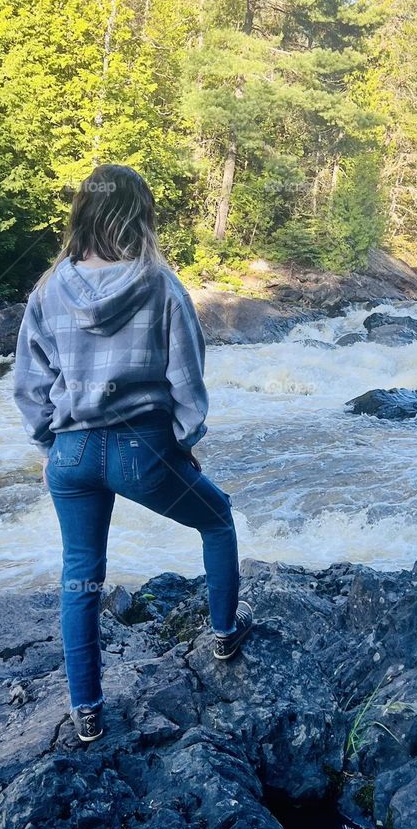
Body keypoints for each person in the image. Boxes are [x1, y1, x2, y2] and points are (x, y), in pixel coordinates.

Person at [13, 163, 253, 744]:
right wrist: (185, 446)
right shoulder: (161, 285)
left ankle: (87, 710)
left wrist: (49, 444)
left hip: (70, 455)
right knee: (218, 520)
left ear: (83, 214)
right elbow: (187, 384)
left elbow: (29, 384)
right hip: (143, 449)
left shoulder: (47, 290)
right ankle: (223, 636)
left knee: (81, 575)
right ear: (141, 215)